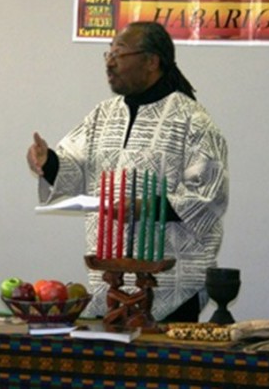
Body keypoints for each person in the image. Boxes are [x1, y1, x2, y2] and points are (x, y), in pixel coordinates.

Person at [27, 21, 228, 322]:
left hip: (169, 285)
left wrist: (144, 207)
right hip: (110, 279)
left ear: (151, 61)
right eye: (108, 53)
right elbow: (75, 166)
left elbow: (209, 197)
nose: (110, 62)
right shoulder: (102, 115)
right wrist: (49, 163)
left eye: (119, 53)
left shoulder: (192, 120)